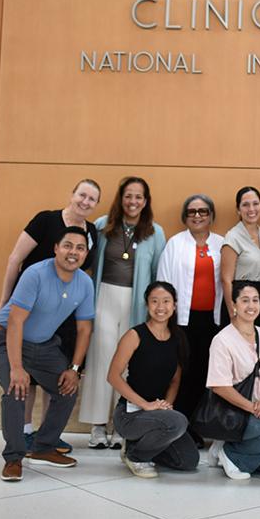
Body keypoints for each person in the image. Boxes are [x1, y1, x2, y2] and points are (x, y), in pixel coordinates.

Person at [0, 179, 101, 453]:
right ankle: (25, 431)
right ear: (72, 194)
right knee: (25, 378)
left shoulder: (91, 232)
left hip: (64, 313)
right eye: (82, 195)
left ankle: (47, 436)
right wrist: (4, 303)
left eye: (92, 199)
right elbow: (14, 259)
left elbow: (84, 274)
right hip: (30, 307)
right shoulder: (46, 220)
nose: (85, 202)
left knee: (58, 376)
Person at [0, 227, 95, 481]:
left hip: (43, 344)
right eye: (68, 245)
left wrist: (75, 369)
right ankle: (14, 457)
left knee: (67, 387)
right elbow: (15, 322)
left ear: (85, 254)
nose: (73, 252)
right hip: (7, 338)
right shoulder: (35, 274)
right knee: (16, 390)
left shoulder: (85, 283)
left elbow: (85, 328)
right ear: (56, 248)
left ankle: (44, 447)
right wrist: (16, 367)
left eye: (80, 248)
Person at [81, 176, 166, 450]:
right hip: (104, 297)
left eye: (139, 197)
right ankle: (97, 426)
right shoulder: (103, 225)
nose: (133, 202)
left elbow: (157, 275)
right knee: (101, 359)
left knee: (130, 365)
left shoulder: (155, 232)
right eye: (129, 196)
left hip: (137, 303)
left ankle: (123, 425)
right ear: (121, 198)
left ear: (146, 201)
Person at [106, 281, 199, 478]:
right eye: (154, 301)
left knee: (189, 460)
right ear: (147, 305)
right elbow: (113, 376)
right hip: (130, 415)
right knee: (178, 422)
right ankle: (136, 455)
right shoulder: (135, 335)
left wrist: (166, 406)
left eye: (166, 301)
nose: (160, 307)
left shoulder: (178, 338)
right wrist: (145, 405)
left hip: (158, 414)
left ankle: (141, 446)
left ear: (174, 305)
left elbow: (175, 380)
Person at [206, 284, 260, 479]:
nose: (251, 305)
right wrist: (254, 408)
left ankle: (228, 446)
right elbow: (219, 387)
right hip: (232, 412)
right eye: (245, 300)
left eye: (255, 300)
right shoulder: (222, 340)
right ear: (234, 305)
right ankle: (231, 455)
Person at [157, 194, 226, 428]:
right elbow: (163, 282)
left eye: (203, 211)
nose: (197, 216)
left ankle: (196, 426)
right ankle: (178, 423)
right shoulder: (175, 243)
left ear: (211, 216)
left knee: (203, 373)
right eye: (192, 211)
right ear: (185, 216)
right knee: (181, 373)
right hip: (182, 320)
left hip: (211, 320)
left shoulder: (221, 243)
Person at [220, 186, 260, 329]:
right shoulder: (233, 237)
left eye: (255, 204)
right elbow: (226, 279)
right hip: (240, 296)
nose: (251, 209)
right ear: (238, 210)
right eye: (245, 205)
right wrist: (232, 309)